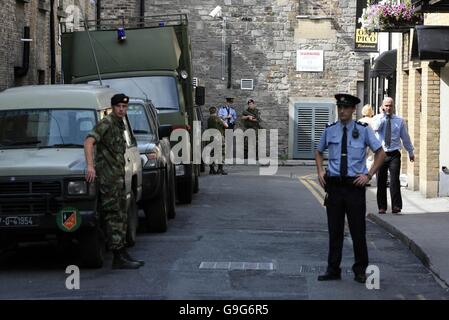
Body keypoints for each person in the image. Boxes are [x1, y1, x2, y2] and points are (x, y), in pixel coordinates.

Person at [315, 93, 385, 283]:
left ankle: (360, 270)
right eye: (340, 107)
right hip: (335, 186)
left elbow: (380, 153)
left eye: (346, 108)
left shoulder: (363, 130)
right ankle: (333, 269)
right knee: (334, 230)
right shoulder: (330, 130)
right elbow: (319, 151)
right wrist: (320, 171)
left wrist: (369, 175)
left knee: (358, 230)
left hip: (354, 186)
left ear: (353, 110)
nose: (342, 111)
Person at [84, 93, 144, 270]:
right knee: (114, 216)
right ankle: (118, 257)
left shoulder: (120, 124)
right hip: (108, 179)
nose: (122, 109)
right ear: (112, 107)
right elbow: (88, 141)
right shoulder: (107, 123)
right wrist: (90, 166)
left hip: (117, 178)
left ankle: (122, 252)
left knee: (121, 215)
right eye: (118, 106)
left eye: (124, 107)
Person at [372, 97, 415, 214]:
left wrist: (410, 152)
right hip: (381, 153)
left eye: (390, 105)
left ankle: (396, 206)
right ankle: (382, 207)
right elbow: (376, 128)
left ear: (393, 106)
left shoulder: (399, 120)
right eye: (386, 106)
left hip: (394, 153)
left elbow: (405, 137)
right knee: (381, 181)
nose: (388, 108)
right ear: (382, 106)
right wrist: (383, 116)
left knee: (395, 180)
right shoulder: (377, 118)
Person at [207, 106, 228, 175]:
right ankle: (220, 169)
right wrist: (223, 120)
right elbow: (226, 126)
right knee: (221, 153)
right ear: (216, 111)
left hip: (211, 138)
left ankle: (212, 169)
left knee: (212, 154)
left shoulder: (209, 119)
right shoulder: (218, 118)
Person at [358, 104, 375, 172]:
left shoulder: (360, 121)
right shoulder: (374, 120)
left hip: (362, 141)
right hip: (371, 141)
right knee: (370, 159)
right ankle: (367, 174)